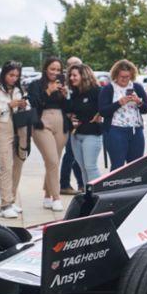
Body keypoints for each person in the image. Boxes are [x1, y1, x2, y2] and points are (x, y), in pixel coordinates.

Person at [0, 62, 28, 218]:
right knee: (6, 166)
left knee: (18, 165)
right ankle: (5, 204)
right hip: (2, 127)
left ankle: (12, 200)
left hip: (20, 128)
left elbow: (26, 109)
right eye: (11, 75)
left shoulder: (18, 90)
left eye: (17, 76)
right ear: (4, 74)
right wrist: (8, 105)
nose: (14, 79)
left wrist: (23, 105)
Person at [28, 56, 70, 211]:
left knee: (54, 162)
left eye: (59, 70)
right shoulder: (35, 85)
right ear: (45, 69)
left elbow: (68, 107)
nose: (56, 72)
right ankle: (56, 197)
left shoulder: (62, 85)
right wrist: (47, 92)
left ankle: (47, 194)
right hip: (42, 123)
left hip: (61, 123)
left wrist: (66, 96)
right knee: (52, 160)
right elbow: (34, 105)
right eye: (53, 69)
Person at [98, 59, 147, 170]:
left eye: (127, 76)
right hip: (115, 130)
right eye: (122, 77)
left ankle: (135, 187)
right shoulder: (108, 89)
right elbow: (102, 111)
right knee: (118, 166)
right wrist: (119, 103)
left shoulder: (137, 87)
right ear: (116, 75)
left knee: (136, 166)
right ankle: (116, 187)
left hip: (136, 130)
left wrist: (139, 102)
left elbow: (146, 109)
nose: (125, 79)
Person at [65, 64, 104, 183]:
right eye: (70, 75)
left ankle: (97, 194)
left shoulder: (97, 91)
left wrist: (100, 115)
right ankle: (88, 195)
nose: (71, 78)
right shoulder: (74, 93)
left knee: (90, 167)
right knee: (83, 168)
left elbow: (105, 109)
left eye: (74, 75)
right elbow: (69, 110)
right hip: (75, 135)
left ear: (84, 75)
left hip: (92, 134)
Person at [58, 56, 85, 195]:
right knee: (70, 154)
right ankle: (64, 184)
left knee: (77, 155)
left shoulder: (81, 83)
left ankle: (81, 184)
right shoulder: (63, 83)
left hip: (79, 123)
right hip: (67, 123)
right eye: (72, 65)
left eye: (78, 65)